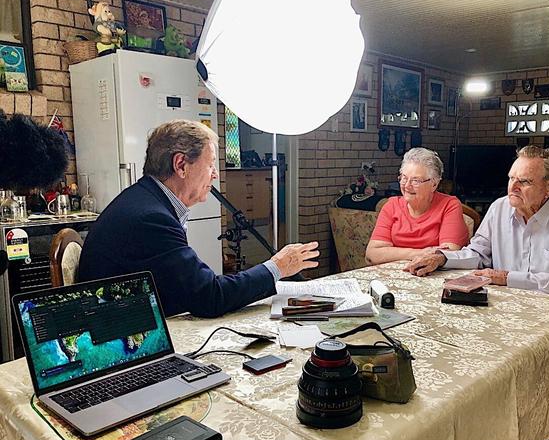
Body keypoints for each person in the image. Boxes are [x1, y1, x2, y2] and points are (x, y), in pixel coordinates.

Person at [79, 119, 319, 317]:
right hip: (121, 340)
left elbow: (191, 288)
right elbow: (209, 297)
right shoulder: (151, 219)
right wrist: (276, 267)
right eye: (211, 164)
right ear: (181, 164)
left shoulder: (147, 200)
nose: (215, 175)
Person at [404, 146, 549, 296]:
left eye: (524, 181)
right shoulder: (499, 207)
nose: (513, 187)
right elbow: (478, 254)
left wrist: (508, 278)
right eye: (511, 178)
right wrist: (442, 258)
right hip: (504, 306)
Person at [365, 148, 468, 265]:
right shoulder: (392, 206)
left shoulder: (449, 205)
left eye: (416, 180)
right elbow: (372, 254)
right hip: (395, 275)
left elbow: (448, 253)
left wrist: (392, 253)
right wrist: (420, 253)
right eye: (404, 178)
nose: (407, 186)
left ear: (434, 184)